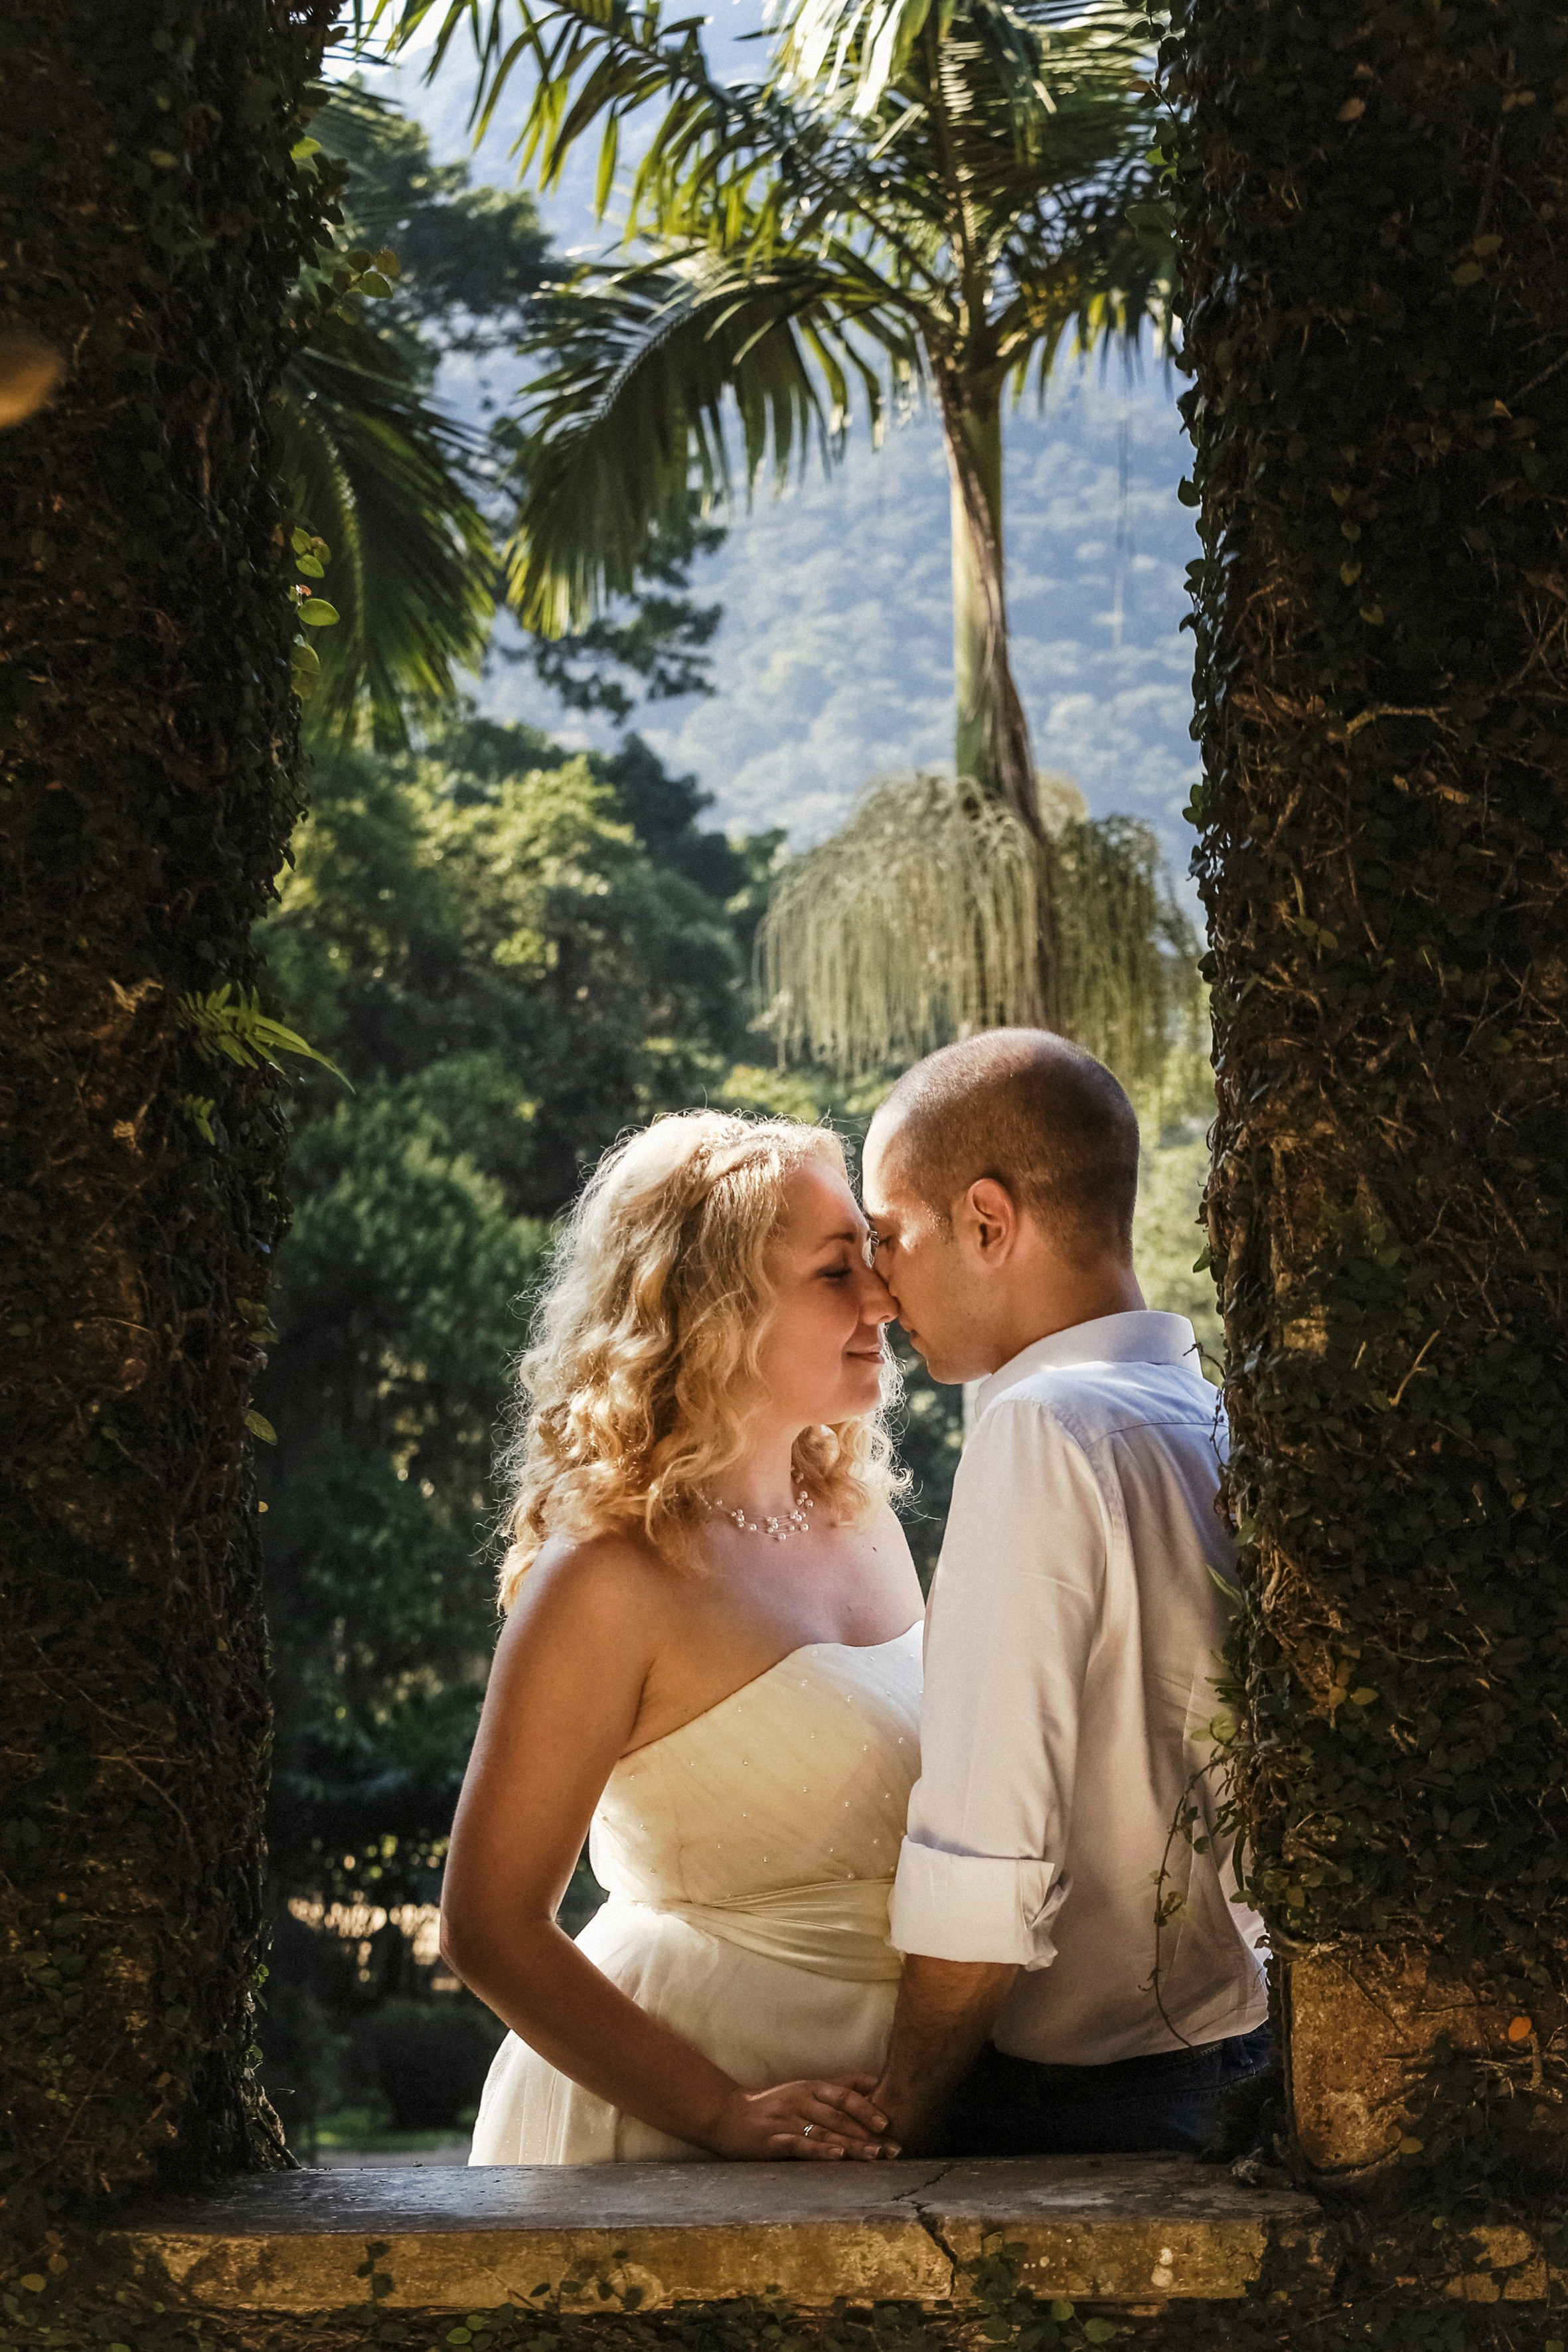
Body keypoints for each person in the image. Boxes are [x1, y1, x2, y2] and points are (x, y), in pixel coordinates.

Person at [445, 1110, 923, 2164]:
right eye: (835, 1272)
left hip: (878, 2121)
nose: (883, 1298)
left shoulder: (863, 1520)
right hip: (662, 2125)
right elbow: (488, 1926)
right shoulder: (607, 1578)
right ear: (711, 1307)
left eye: (872, 1259)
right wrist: (718, 2112)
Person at [860, 1029, 1270, 2157]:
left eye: (888, 1236)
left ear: (987, 1222)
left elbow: (985, 1858)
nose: (879, 1287)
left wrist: (898, 2119)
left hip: (1089, 2106)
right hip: (1237, 2058)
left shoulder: (1042, 1428)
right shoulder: (1212, 1414)